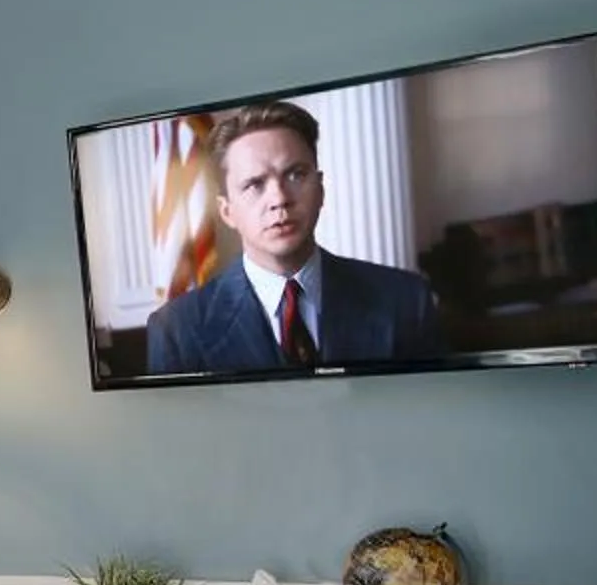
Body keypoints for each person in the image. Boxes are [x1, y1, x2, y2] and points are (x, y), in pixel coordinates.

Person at [140, 99, 442, 377]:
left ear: (321, 190)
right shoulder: (176, 330)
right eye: (255, 184)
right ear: (227, 211)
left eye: (296, 174)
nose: (279, 199)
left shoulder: (405, 300)